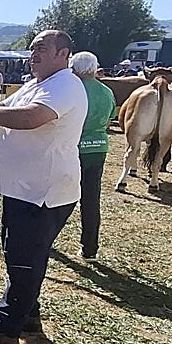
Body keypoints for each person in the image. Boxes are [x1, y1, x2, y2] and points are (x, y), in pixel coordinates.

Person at [0, 30, 87, 344]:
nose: (33, 54)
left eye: (41, 48)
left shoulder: (65, 85)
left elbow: (30, 118)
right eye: (32, 49)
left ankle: (5, 330)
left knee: (24, 259)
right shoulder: (34, 84)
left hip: (44, 190)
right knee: (21, 256)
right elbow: (8, 114)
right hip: (24, 188)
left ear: (63, 54)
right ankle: (27, 316)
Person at [70, 51, 117, 261]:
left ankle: (42, 239)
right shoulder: (107, 92)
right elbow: (109, 121)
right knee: (91, 200)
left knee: (55, 195)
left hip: (75, 148)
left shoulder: (74, 90)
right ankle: (90, 248)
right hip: (99, 148)